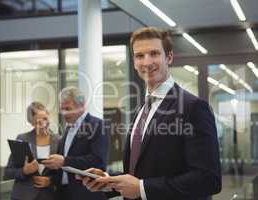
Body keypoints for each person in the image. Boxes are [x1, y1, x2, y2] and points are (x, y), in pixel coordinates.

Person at [78, 27, 222, 200]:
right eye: (139, 56)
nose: (146, 62)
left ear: (169, 57)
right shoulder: (142, 109)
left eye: (154, 53)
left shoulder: (194, 107)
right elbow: (140, 171)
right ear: (134, 62)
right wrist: (108, 180)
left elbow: (208, 179)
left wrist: (142, 188)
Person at [42, 87, 109, 200]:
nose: (64, 113)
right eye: (62, 109)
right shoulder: (68, 129)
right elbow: (63, 170)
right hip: (63, 193)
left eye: (68, 109)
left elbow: (98, 161)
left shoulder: (98, 125)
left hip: (87, 194)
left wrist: (64, 161)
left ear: (82, 106)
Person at [4, 102, 59, 200]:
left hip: (49, 195)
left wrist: (50, 180)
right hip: (23, 196)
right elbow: (9, 171)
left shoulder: (59, 140)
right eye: (38, 121)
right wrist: (24, 171)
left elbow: (64, 172)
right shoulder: (22, 139)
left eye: (45, 118)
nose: (43, 124)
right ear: (32, 123)